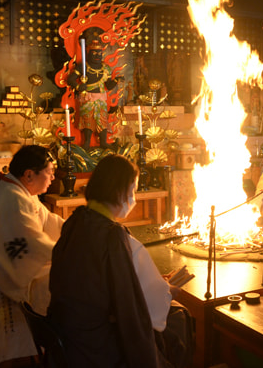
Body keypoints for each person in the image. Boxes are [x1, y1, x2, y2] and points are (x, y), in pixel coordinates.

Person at [49, 155, 193, 368]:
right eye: (133, 190)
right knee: (179, 317)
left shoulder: (77, 219)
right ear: (119, 191)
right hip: (96, 347)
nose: (133, 198)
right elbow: (129, 307)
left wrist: (146, 284)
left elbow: (101, 283)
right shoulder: (112, 236)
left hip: (69, 332)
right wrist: (165, 292)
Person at [0, 145, 63, 364]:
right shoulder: (13, 198)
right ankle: (57, 338)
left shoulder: (16, 187)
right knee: (61, 279)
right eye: (50, 171)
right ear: (29, 174)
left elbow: (49, 222)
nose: (53, 177)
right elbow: (32, 244)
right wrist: (70, 253)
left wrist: (77, 232)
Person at [67, 39, 118, 150]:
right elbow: (70, 79)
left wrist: (116, 81)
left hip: (101, 97)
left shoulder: (105, 68)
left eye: (99, 53)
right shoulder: (83, 66)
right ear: (89, 53)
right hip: (88, 97)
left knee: (102, 120)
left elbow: (108, 86)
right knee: (88, 120)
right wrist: (78, 86)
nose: (97, 55)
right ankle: (87, 142)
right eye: (94, 53)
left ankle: (103, 142)